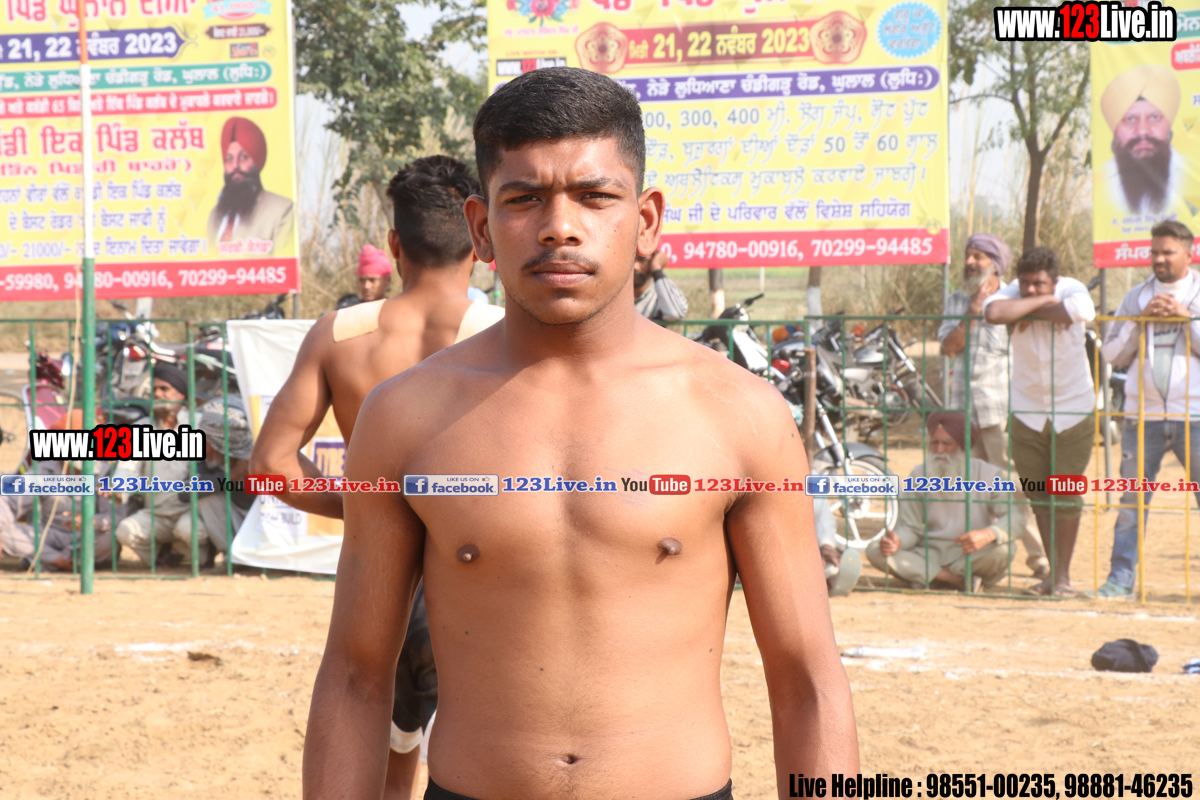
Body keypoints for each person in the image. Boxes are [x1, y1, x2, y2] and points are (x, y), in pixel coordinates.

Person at [302, 66, 858, 800]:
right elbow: (355, 675)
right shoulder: (405, 417)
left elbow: (807, 679)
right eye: (524, 198)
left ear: (646, 220)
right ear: (481, 228)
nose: (559, 226)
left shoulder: (738, 414)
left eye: (595, 196)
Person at [250, 155, 505, 799]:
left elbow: (271, 465)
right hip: (475, 584)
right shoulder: (506, 337)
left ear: (394, 244)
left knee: (384, 756)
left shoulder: (339, 334)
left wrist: (370, 506)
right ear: (482, 239)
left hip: (376, 581)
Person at [983, 247, 1096, 597]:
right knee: (1038, 494)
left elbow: (1082, 310)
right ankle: (1051, 577)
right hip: (1027, 411)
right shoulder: (1014, 291)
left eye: (1040, 285)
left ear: (1055, 280)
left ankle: (1062, 578)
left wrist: (1026, 308)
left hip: (1073, 409)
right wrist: (1044, 303)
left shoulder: (1072, 287)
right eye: (1026, 284)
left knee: (1065, 492)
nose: (1030, 289)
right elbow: (993, 312)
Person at [938, 233, 1050, 580]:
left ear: (996, 265)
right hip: (961, 413)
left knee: (1010, 487)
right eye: (968, 255)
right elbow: (948, 348)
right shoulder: (957, 300)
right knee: (968, 488)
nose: (970, 262)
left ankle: (1039, 558)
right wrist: (972, 314)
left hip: (1000, 412)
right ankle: (983, 558)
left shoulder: (1014, 298)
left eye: (979, 256)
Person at [1097, 221, 1200, 598]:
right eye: (1154, 252)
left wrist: (1186, 319)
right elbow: (1111, 354)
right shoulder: (1136, 297)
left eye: (1167, 252)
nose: (1159, 259)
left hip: (1195, 417)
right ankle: (1120, 581)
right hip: (1142, 419)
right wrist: (1140, 323)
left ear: (1189, 253)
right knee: (1131, 503)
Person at [866, 412, 1022, 591]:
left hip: (971, 553)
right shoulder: (919, 475)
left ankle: (929, 576)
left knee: (1005, 549)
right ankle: (954, 579)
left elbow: (1015, 518)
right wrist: (898, 542)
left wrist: (988, 534)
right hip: (929, 552)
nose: (939, 450)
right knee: (875, 550)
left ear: (963, 445)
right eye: (935, 443)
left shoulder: (989, 474)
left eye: (947, 443)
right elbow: (910, 528)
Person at [113, 363, 199, 568]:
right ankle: (163, 556)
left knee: (190, 531)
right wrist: (118, 488)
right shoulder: (142, 428)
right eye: (154, 389)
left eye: (164, 389)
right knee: (126, 531)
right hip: (156, 514)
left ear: (181, 395)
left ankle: (180, 554)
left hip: (190, 512)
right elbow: (127, 468)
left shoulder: (198, 425)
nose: (158, 394)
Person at [178, 396, 255, 570]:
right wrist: (230, 477)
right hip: (235, 520)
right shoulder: (204, 458)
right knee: (204, 497)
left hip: (261, 523)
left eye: (207, 443)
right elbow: (184, 492)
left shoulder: (255, 457)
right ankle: (234, 557)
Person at [1099, 64, 1184, 216]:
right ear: (1115, 129)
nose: (1143, 130)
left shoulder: (1191, 174)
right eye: (1130, 119)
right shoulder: (1100, 182)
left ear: (1169, 123)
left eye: (1154, 117)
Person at [207, 116, 295, 255]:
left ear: (256, 161)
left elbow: (285, 263)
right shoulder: (215, 216)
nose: (235, 166)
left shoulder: (282, 210)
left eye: (243, 157)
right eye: (229, 159)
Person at [634, 248, 688, 321]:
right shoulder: (619, 295)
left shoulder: (659, 296)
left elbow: (675, 313)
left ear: (652, 260)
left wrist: (656, 268)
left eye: (642, 260)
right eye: (631, 260)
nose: (635, 266)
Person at [337, 245, 394, 310]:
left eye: (372, 280)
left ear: (388, 280)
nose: (366, 286)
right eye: (362, 280)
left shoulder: (395, 310)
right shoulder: (348, 309)